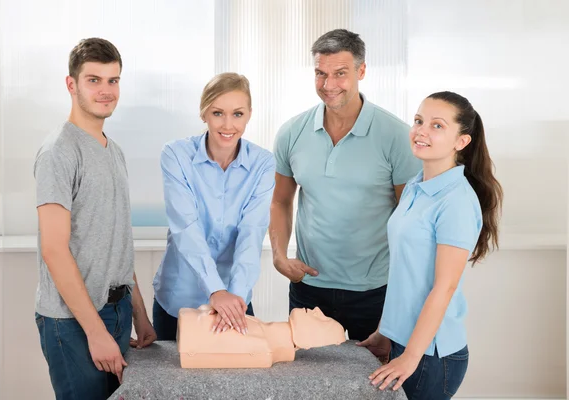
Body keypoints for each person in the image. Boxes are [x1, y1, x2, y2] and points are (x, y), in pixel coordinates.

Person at [269, 28, 421, 340]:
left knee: (374, 387)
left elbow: (411, 223)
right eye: (320, 74)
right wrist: (279, 256)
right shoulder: (291, 133)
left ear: (361, 71)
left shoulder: (396, 137)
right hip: (309, 290)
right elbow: (281, 200)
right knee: (310, 388)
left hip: (377, 292)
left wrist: (404, 300)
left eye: (340, 73)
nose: (328, 85)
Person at [33, 38, 156, 400]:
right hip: (73, 322)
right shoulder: (59, 151)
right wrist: (96, 333)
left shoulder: (113, 151)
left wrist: (139, 314)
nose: (106, 91)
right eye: (94, 80)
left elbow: (117, 239)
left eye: (113, 80)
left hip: (115, 311)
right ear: (71, 85)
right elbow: (54, 250)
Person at [361, 91, 503, 399]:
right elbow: (405, 274)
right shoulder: (416, 185)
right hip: (404, 341)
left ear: (461, 142)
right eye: (418, 121)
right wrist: (386, 333)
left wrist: (411, 357)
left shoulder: (456, 201)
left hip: (430, 355)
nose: (421, 131)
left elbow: (444, 288)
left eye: (437, 125)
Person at [152, 72, 276, 340]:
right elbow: (186, 228)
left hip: (235, 299)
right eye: (218, 113)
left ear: (249, 114)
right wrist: (214, 290)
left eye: (238, 114)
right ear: (204, 113)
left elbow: (251, 233)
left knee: (235, 382)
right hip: (179, 300)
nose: (228, 124)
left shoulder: (263, 164)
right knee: (170, 381)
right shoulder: (176, 155)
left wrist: (233, 298)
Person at [177, 305, 346, 368]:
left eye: (322, 319)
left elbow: (198, 339)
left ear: (309, 340)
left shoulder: (260, 347)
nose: (317, 310)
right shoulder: (258, 325)